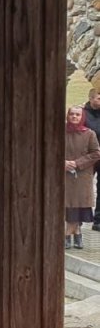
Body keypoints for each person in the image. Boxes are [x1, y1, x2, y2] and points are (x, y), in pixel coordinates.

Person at [66, 105, 100, 250]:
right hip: (65, 176)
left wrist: (77, 163)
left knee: (78, 206)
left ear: (82, 117)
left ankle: (69, 235)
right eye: (72, 114)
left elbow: (96, 153)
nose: (74, 117)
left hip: (82, 176)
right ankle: (76, 234)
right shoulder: (60, 132)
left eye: (77, 115)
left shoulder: (89, 134)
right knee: (69, 206)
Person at [84, 89, 100, 230]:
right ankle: (77, 221)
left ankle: (98, 221)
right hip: (87, 157)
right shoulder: (83, 114)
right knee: (83, 187)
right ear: (91, 98)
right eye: (98, 98)